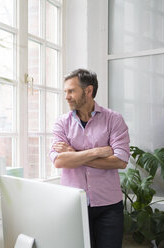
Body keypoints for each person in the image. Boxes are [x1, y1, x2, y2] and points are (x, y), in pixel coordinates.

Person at [49, 68, 130, 248]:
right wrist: (96, 152)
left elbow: (120, 161)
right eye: (65, 92)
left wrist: (74, 153)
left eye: (71, 91)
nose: (67, 96)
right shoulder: (61, 122)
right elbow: (59, 161)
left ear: (88, 91)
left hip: (108, 206)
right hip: (73, 206)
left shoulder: (114, 120)